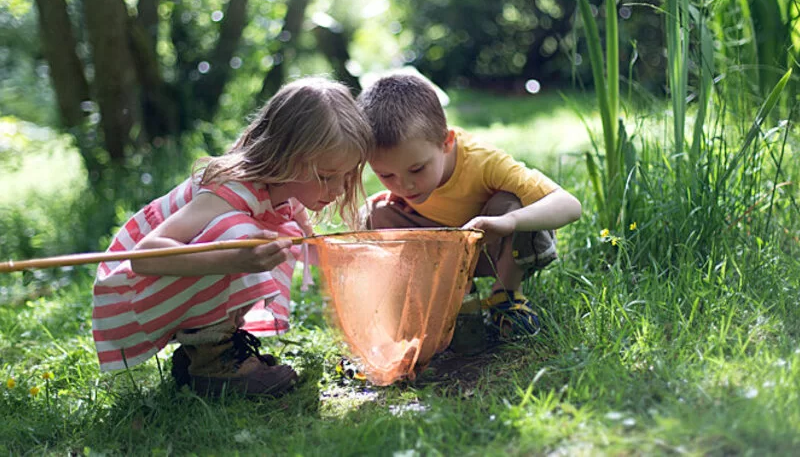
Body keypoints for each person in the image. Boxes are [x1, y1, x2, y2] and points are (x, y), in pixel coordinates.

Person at [92, 77, 372, 397]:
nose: (337, 191)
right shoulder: (230, 191)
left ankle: (203, 352)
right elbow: (145, 257)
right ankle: (213, 363)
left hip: (163, 290)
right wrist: (237, 258)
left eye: (346, 176)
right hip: (128, 295)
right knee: (244, 236)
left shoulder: (285, 188)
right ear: (286, 156)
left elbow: (309, 239)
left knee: (276, 236)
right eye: (326, 176)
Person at [358, 74, 581, 339]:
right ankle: (453, 298)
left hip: (494, 247)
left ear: (447, 142)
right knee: (375, 214)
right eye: (387, 176)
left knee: (511, 202)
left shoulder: (483, 162)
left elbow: (570, 205)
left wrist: (508, 222)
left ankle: (506, 295)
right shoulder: (407, 177)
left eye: (417, 169)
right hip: (446, 250)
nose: (404, 186)